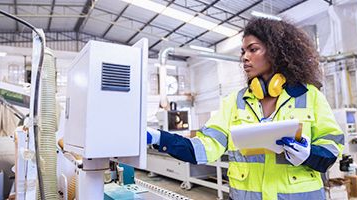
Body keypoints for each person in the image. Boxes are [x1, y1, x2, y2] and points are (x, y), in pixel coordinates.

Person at [147, 17, 344, 200]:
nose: (245, 57)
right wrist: (159, 138)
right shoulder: (235, 102)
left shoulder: (309, 96)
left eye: (253, 49)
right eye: (243, 51)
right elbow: (204, 148)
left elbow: (332, 148)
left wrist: (309, 154)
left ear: (276, 51)